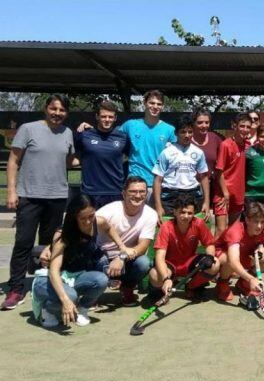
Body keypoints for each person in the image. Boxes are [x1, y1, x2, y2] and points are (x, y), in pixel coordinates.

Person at [3, 94, 76, 311]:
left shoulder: (68, 133)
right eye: (54, 109)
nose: (57, 114)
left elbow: (71, 161)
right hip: (30, 195)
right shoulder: (28, 129)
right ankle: (16, 289)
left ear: (66, 113)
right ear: (46, 109)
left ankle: (42, 284)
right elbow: (13, 160)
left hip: (57, 197)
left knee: (48, 245)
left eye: (62, 110)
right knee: (23, 243)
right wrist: (11, 192)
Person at [32, 195, 125, 328]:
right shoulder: (62, 235)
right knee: (70, 296)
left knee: (101, 280)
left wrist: (122, 247)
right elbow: (53, 271)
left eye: (91, 216)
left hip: (75, 275)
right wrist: (66, 300)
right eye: (82, 218)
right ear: (74, 216)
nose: (88, 222)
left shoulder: (98, 221)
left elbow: (109, 228)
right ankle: (47, 310)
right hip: (50, 279)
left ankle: (82, 309)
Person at [95, 177, 158, 306]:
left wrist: (121, 257)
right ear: (123, 193)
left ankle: (127, 288)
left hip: (127, 256)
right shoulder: (111, 209)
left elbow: (143, 245)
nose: (138, 195)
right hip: (102, 254)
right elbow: (85, 221)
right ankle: (93, 294)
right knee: (98, 259)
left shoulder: (150, 214)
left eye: (142, 192)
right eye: (133, 191)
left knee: (144, 262)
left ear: (147, 193)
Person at [150, 195, 219, 303]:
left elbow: (209, 244)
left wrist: (210, 256)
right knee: (154, 275)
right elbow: (160, 257)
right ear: (175, 212)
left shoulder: (199, 223)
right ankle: (162, 289)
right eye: (182, 212)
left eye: (190, 213)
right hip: (170, 264)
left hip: (189, 262)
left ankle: (191, 287)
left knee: (215, 264)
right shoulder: (166, 227)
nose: (186, 216)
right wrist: (165, 278)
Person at [214, 200, 264, 306]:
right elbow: (234, 261)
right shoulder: (235, 231)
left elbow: (259, 242)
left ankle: (243, 283)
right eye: (256, 221)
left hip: (242, 254)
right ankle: (223, 282)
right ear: (247, 220)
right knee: (229, 259)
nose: (259, 226)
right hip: (222, 256)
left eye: (262, 222)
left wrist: (259, 248)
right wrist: (252, 279)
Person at [119, 90, 177, 201]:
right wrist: (91, 128)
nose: (155, 106)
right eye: (152, 103)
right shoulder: (130, 125)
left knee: (156, 218)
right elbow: (110, 138)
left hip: (159, 184)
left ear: (162, 106)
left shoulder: (170, 130)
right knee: (132, 217)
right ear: (145, 103)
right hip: (134, 183)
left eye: (159, 104)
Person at [152, 115, 210, 221]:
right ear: (176, 133)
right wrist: (158, 206)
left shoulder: (198, 152)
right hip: (171, 197)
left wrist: (206, 202)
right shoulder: (166, 152)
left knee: (194, 230)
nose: (187, 135)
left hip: (193, 195)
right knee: (169, 230)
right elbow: (157, 180)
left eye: (190, 132)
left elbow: (204, 177)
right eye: (183, 132)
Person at [75, 100, 129, 209]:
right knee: (90, 225)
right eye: (103, 116)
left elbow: (132, 158)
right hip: (90, 192)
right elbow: (74, 156)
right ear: (97, 117)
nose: (107, 120)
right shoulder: (84, 135)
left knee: (113, 226)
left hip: (115, 191)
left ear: (115, 118)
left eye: (110, 117)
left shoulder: (123, 137)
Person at [213, 113, 250, 237]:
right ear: (234, 126)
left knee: (234, 231)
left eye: (248, 127)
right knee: (221, 230)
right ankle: (213, 256)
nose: (245, 129)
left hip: (238, 194)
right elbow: (219, 171)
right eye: (242, 126)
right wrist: (225, 192)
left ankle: (229, 256)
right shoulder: (226, 145)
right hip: (223, 194)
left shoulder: (247, 146)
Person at [190, 108, 223, 188]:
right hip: (190, 187)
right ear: (193, 123)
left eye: (207, 122)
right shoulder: (187, 140)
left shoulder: (215, 138)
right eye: (200, 123)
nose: (204, 125)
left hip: (211, 185)